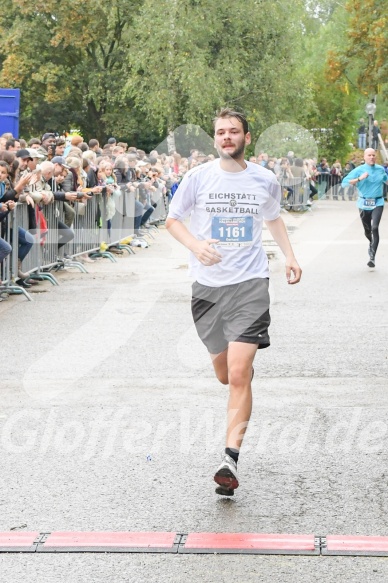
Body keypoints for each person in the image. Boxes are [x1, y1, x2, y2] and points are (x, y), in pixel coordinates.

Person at [166, 108, 302, 496]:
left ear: (246, 137)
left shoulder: (264, 179)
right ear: (215, 139)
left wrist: (290, 256)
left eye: (234, 131)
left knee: (239, 373)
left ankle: (229, 458)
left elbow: (273, 218)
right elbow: (173, 220)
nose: (227, 137)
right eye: (221, 132)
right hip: (208, 288)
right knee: (225, 374)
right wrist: (195, 245)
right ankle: (241, 376)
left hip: (250, 284)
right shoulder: (198, 177)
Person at [341, 148, 388, 268]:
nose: (372, 157)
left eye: (373, 155)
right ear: (365, 157)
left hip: (378, 201)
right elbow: (344, 183)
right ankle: (371, 242)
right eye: (369, 155)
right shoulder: (359, 170)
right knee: (367, 230)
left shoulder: (380, 169)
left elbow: (386, 180)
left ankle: (372, 257)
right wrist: (359, 179)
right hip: (363, 204)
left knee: (375, 227)